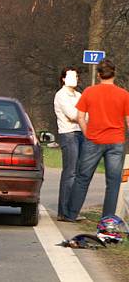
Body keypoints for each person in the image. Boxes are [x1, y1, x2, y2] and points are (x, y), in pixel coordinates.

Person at [64, 59, 129, 221]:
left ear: (99, 75)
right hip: (116, 141)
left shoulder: (89, 92)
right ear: (114, 74)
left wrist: (87, 133)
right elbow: (128, 120)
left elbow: (80, 116)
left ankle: (71, 214)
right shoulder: (124, 95)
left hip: (93, 140)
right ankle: (107, 219)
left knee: (83, 178)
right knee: (113, 183)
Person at [53, 66, 83, 221]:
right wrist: (83, 115)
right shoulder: (61, 95)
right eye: (72, 76)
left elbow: (86, 113)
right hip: (68, 134)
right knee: (69, 173)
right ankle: (63, 212)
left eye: (77, 76)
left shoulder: (79, 95)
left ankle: (72, 211)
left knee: (78, 173)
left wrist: (83, 116)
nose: (75, 79)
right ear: (64, 79)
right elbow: (72, 115)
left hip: (81, 133)